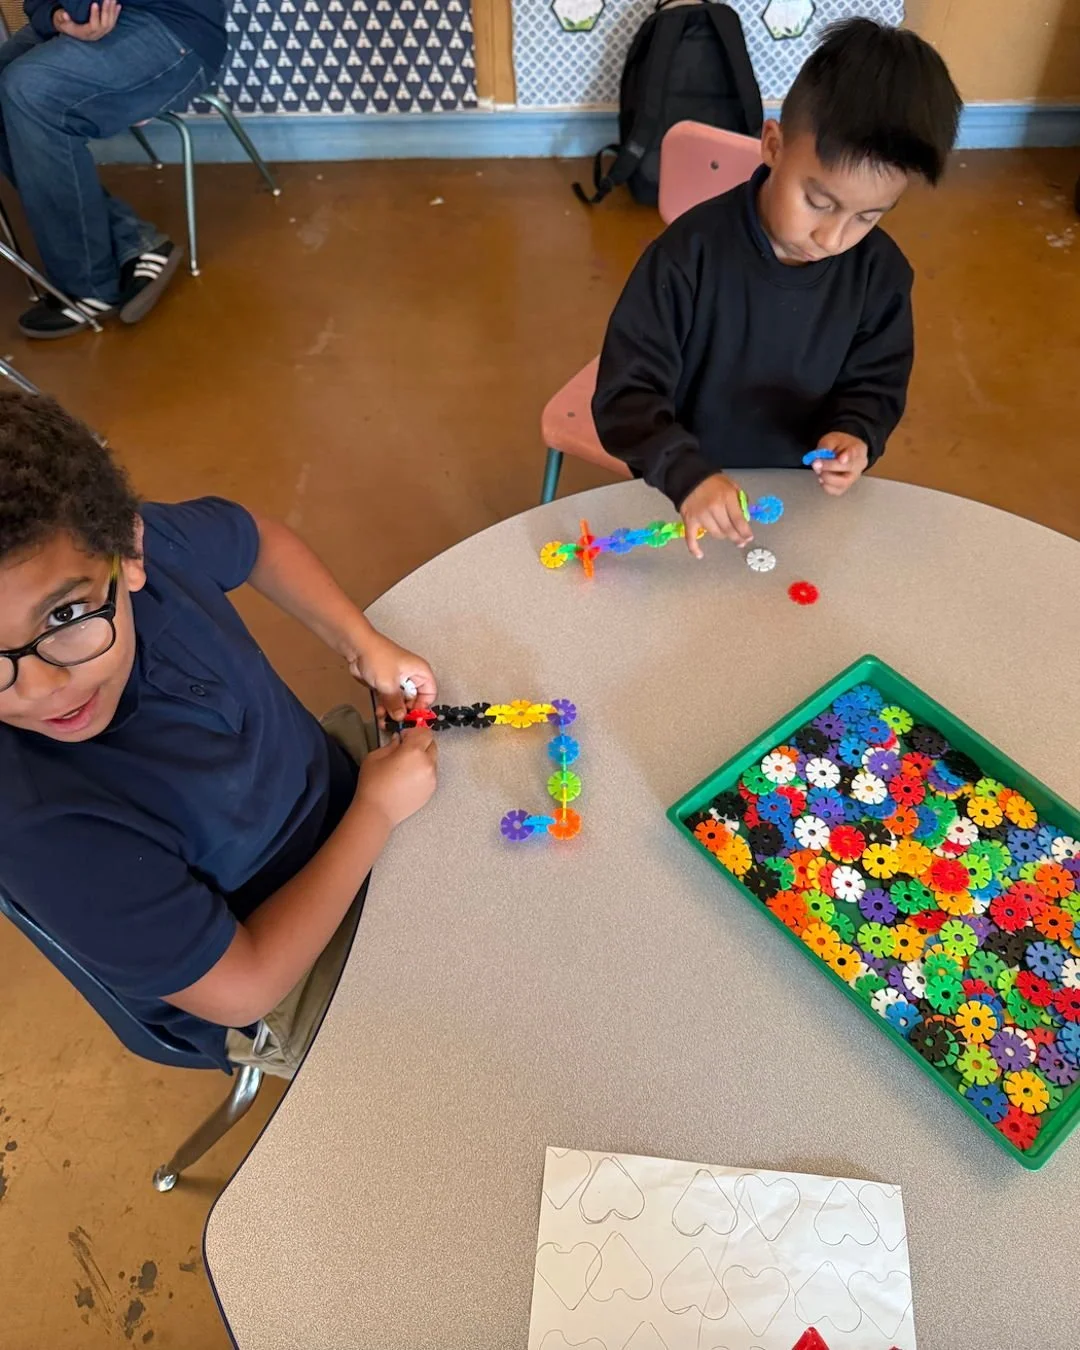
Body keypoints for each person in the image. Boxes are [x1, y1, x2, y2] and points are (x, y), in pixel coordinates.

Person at [0, 390, 439, 1076]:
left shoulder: (142, 543)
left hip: (349, 801)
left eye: (65, 617)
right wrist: (375, 814)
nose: (39, 688)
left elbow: (257, 540)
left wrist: (360, 642)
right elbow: (245, 988)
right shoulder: (40, 825)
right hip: (283, 970)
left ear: (131, 555)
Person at [592, 19, 962, 556]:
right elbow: (626, 394)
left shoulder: (879, 276)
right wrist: (687, 473)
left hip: (798, 500)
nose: (833, 237)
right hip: (685, 492)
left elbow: (875, 384)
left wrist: (855, 434)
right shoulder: (686, 257)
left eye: (868, 217)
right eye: (819, 202)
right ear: (773, 145)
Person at [0, 0, 226, 339]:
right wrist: (56, 17)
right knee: (16, 88)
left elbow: (89, 10)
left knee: (31, 89)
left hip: (173, 28)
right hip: (85, 17)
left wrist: (71, 14)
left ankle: (88, 284)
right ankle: (132, 240)